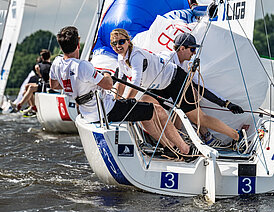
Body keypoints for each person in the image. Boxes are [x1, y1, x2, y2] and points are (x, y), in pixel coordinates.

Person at [49, 26, 198, 161]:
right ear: (77, 45)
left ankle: (168, 147)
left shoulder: (56, 63)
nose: (117, 46)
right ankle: (186, 150)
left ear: (61, 47)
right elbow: (108, 85)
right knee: (157, 110)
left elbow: (54, 85)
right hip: (105, 110)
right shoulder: (83, 66)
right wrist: (106, 74)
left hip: (87, 111)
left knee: (143, 112)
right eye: (115, 43)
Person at [110, 28, 245, 148]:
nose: (194, 53)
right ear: (182, 48)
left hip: (176, 81)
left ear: (127, 41)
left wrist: (226, 104)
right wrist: (116, 105)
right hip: (161, 86)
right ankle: (169, 145)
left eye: (121, 42)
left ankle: (236, 136)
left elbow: (200, 87)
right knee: (144, 107)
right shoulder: (165, 56)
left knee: (198, 117)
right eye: (192, 49)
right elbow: (123, 82)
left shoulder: (139, 57)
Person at [13, 49, 52, 115]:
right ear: (49, 57)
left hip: (47, 86)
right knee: (27, 86)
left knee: (30, 87)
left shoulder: (38, 66)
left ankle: (19, 105)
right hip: (44, 84)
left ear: (42, 57)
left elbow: (40, 75)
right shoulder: (52, 65)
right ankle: (33, 107)